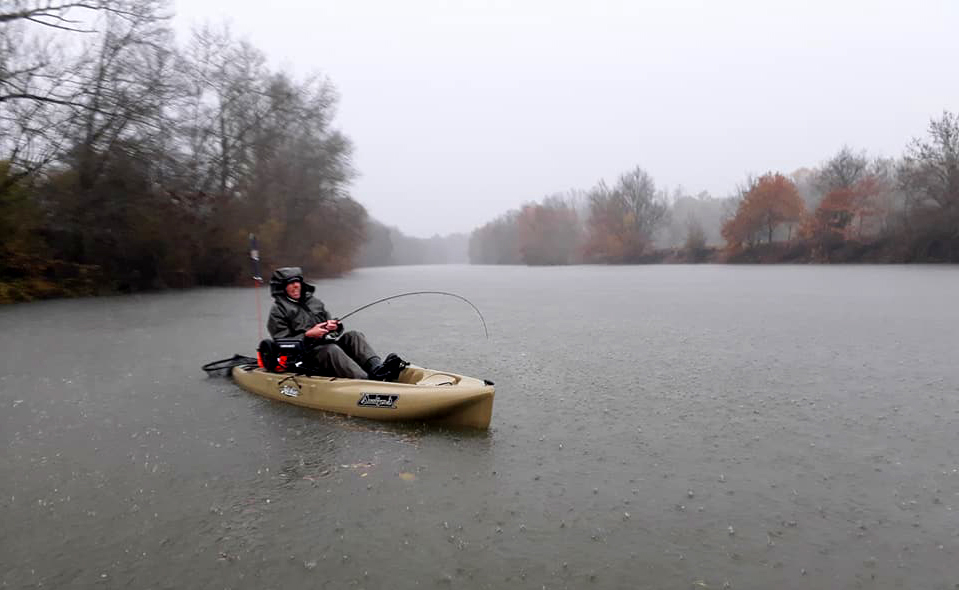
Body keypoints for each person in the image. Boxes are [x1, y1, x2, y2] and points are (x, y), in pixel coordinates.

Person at [266, 266, 394, 380]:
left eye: (297, 281)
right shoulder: (278, 311)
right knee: (330, 349)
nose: (295, 285)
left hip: (327, 346)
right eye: (290, 283)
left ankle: (377, 368)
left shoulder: (314, 302)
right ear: (282, 287)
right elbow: (281, 343)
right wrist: (307, 335)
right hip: (305, 356)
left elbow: (331, 331)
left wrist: (334, 327)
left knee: (354, 335)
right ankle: (365, 380)